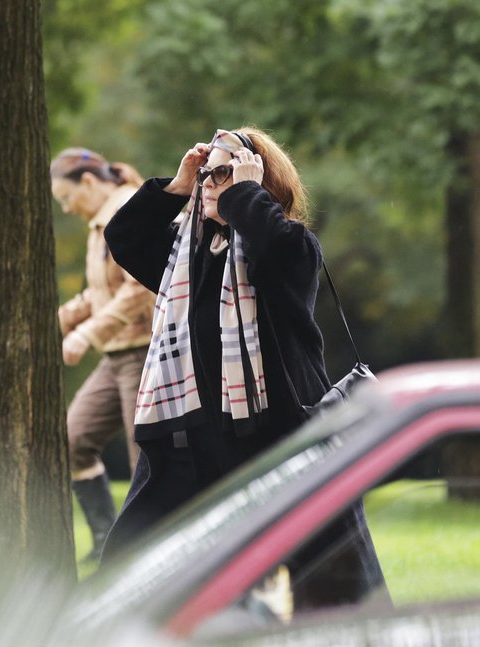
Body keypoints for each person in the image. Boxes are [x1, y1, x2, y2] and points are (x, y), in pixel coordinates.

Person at [101, 128, 386, 606]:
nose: (210, 183)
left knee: (334, 587)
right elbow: (123, 237)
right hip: (192, 446)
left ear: (258, 183)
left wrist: (245, 194)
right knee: (129, 572)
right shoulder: (185, 260)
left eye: (223, 172)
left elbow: (278, 247)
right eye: (207, 174)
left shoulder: (287, 247)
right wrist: (177, 184)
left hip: (279, 443)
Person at [50, 148, 155, 561]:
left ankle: (146, 557)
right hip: (116, 356)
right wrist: (58, 321)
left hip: (145, 352)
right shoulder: (99, 223)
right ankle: (105, 543)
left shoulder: (126, 210)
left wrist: (88, 332)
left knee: (144, 464)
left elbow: (140, 286)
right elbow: (100, 293)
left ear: (89, 183)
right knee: (72, 439)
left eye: (66, 197)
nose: (66, 207)